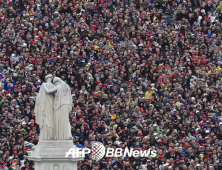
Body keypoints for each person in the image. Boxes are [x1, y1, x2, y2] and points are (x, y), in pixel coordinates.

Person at [34, 74, 55, 140]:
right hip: (51, 104)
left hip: (44, 104)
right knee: (50, 118)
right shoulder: (54, 86)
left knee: (45, 118)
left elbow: (39, 97)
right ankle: (50, 134)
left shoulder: (43, 85)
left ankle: (46, 134)